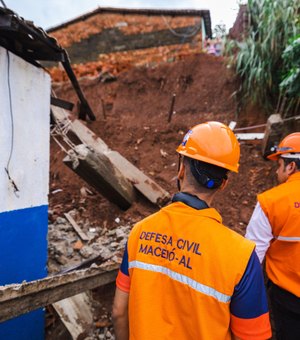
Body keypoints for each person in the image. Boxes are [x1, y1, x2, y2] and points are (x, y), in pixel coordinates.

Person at [112, 121, 272, 340]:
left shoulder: (140, 233)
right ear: (223, 183)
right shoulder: (241, 257)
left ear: (181, 169)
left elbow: (119, 312)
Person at [245, 132, 300, 340]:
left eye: (279, 165)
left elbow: (251, 259)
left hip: (288, 301)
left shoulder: (272, 202)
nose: (277, 171)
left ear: (291, 167)